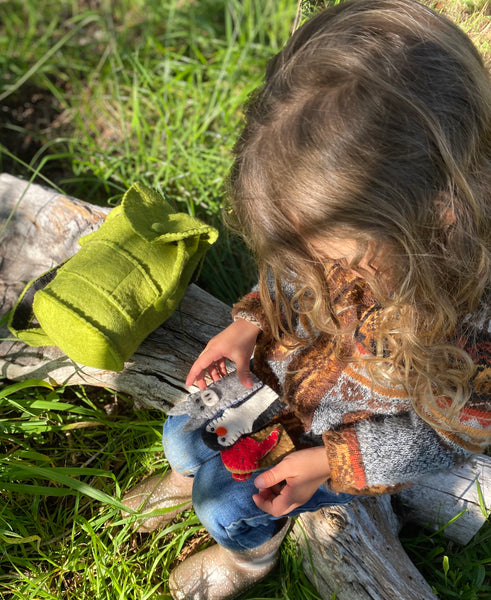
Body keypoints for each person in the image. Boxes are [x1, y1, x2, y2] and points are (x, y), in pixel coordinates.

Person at [122, 1, 491, 598]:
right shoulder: (352, 218)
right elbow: (290, 281)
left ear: (422, 215)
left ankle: (249, 555)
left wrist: (328, 463)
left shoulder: (472, 318)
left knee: (230, 505)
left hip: (344, 436)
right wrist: (247, 324)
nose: (314, 267)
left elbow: (446, 438)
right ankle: (186, 475)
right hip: (275, 379)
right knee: (181, 435)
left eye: (336, 260)